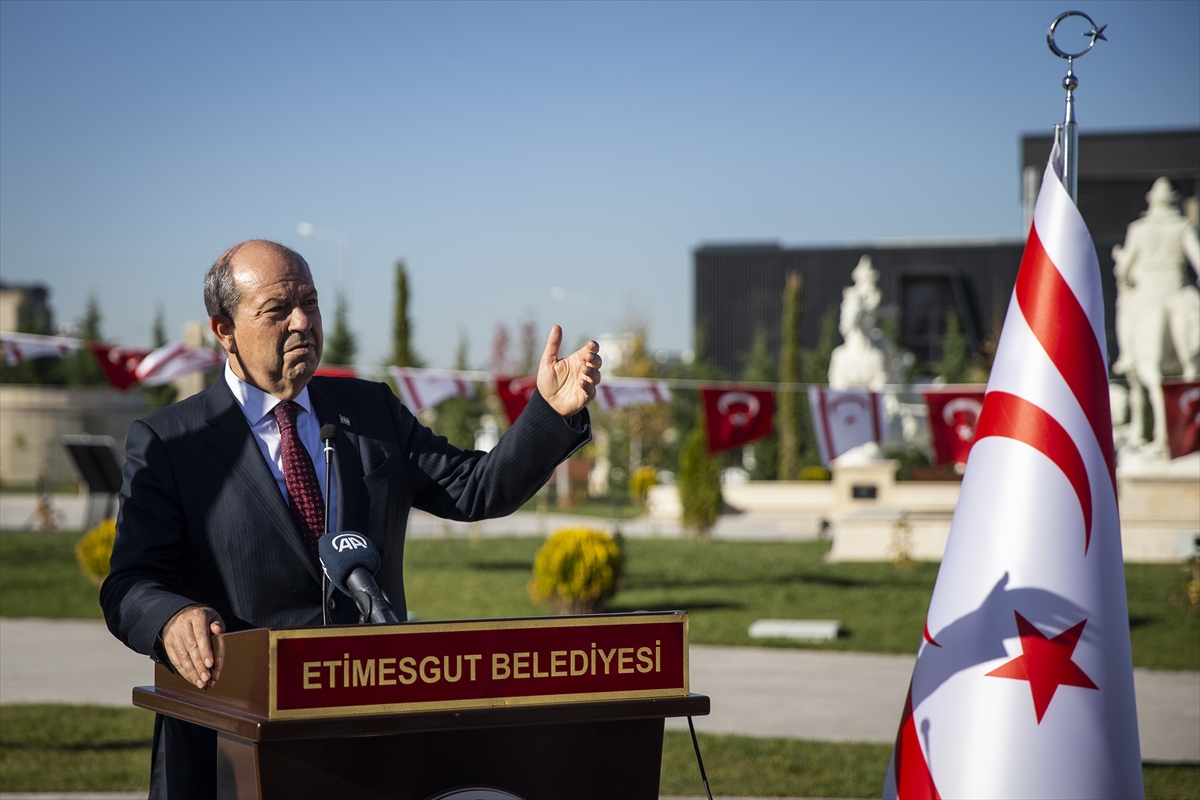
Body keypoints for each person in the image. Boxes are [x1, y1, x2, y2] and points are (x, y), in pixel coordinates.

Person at [99, 240, 602, 798]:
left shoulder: (370, 412)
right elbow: (129, 584)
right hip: (235, 745)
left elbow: (476, 489)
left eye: (310, 303)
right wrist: (170, 618)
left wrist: (549, 414)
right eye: (277, 310)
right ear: (224, 330)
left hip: (368, 741)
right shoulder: (172, 440)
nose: (301, 322)